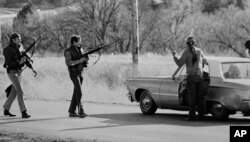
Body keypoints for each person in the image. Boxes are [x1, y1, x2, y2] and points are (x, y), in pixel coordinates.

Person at [171, 37, 207, 121]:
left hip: (191, 77)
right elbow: (205, 61)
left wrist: (174, 56)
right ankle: (201, 116)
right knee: (200, 97)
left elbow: (180, 63)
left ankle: (192, 116)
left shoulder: (186, 52)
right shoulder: (200, 51)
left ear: (187, 44)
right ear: (195, 43)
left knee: (192, 98)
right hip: (200, 76)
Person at [2, 32, 31, 118]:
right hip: (12, 72)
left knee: (13, 92)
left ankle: (6, 109)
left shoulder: (20, 48)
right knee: (20, 91)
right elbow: (9, 63)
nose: (20, 40)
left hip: (19, 72)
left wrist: (31, 68)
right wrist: (19, 62)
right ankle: (24, 112)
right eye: (18, 39)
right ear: (13, 40)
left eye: (20, 39)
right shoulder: (7, 50)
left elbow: (25, 59)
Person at [64, 35, 88, 118]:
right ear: (74, 42)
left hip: (80, 73)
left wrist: (85, 59)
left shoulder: (81, 49)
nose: (80, 43)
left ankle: (71, 111)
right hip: (73, 73)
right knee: (79, 92)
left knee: (76, 92)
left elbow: (85, 59)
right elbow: (68, 63)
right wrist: (79, 61)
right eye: (79, 41)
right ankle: (81, 111)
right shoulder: (68, 51)